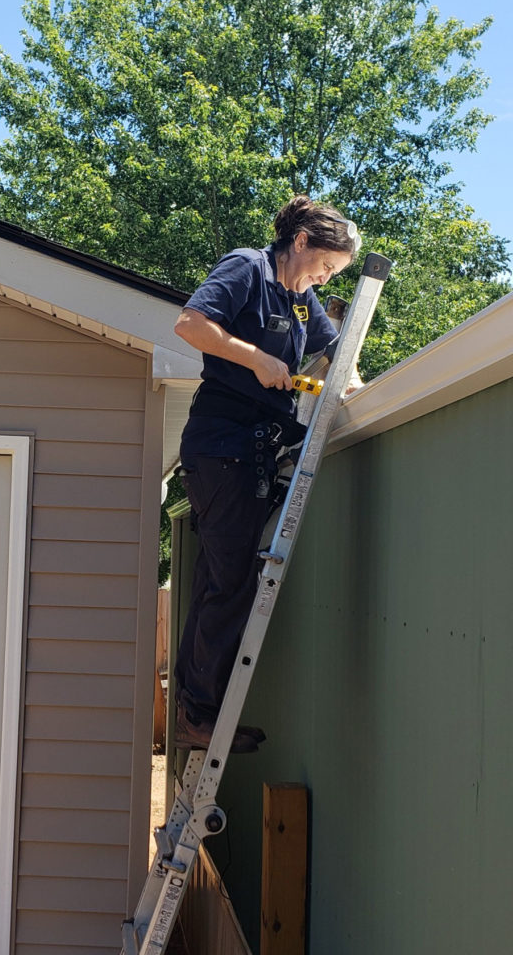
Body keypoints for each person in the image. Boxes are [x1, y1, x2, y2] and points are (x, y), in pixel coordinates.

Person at [172, 195, 362, 754]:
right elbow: (190, 324)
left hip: (257, 445)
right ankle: (197, 714)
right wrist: (255, 358)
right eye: (325, 265)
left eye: (335, 274)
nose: (324, 278)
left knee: (221, 582)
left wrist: (354, 388)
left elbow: (337, 357)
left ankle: (196, 709)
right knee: (229, 585)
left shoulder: (305, 302)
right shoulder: (247, 268)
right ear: (300, 243)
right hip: (223, 444)